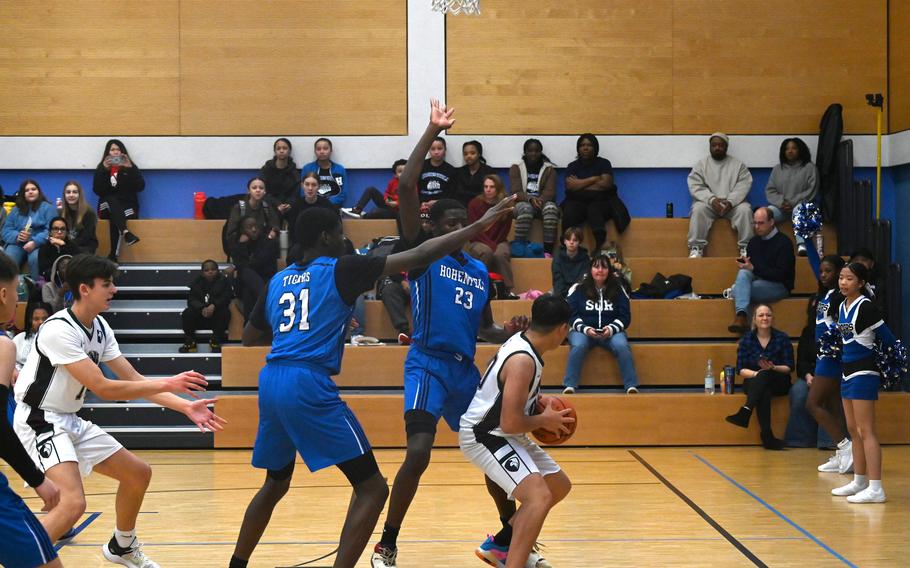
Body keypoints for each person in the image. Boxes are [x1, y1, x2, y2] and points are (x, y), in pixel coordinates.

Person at [228, 104, 516, 568]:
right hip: (311, 381)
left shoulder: (281, 278)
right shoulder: (342, 267)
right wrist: (481, 225)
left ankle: (236, 564)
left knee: (276, 482)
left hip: (272, 377)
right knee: (372, 486)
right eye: (338, 230)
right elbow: (419, 248)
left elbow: (252, 334)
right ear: (325, 236)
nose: (344, 236)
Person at [371, 103, 529, 568]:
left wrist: (508, 331)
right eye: (449, 224)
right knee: (418, 452)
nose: (457, 229)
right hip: (426, 363)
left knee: (493, 451)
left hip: (465, 371)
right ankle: (387, 542)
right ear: (432, 228)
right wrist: (431, 131)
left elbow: (484, 328)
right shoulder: (422, 256)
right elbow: (404, 185)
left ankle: (505, 540)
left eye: (462, 223)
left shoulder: (480, 271)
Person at [13, 253, 225, 566]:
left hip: (68, 418)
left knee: (138, 473)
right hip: (39, 419)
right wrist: (168, 383)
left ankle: (122, 546)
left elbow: (133, 380)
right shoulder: (59, 329)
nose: (114, 290)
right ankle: (19, 558)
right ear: (85, 289)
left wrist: (185, 407)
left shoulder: (99, 327)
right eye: (107, 284)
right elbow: (104, 388)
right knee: (72, 504)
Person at [460, 294, 574, 568]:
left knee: (557, 485)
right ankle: (513, 561)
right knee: (538, 498)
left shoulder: (525, 342)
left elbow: (507, 394)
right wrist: (544, 420)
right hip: (484, 435)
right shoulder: (523, 360)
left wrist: (536, 402)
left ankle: (501, 545)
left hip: (502, 432)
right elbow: (510, 422)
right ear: (562, 329)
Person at [0, 252, 63, 568]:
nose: (17, 301)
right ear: (3, 294)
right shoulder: (3, 345)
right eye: (16, 292)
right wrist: (38, 479)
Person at [830, 262, 898, 503]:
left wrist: (887, 365)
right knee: (853, 430)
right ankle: (859, 480)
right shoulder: (841, 305)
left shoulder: (866, 307)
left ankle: (876, 487)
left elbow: (889, 340)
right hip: (847, 373)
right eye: (841, 278)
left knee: (866, 430)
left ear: (860, 283)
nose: (843, 283)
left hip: (863, 373)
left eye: (849, 279)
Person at [801, 250, 852, 468]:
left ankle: (846, 447)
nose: (822, 275)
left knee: (812, 404)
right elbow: (814, 262)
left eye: (828, 271)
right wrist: (807, 237)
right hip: (824, 355)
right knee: (832, 405)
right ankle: (844, 452)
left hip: (831, 357)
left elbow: (845, 327)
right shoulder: (825, 294)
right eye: (821, 271)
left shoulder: (840, 296)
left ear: (839, 273)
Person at [562, 252, 640, 394]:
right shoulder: (578, 288)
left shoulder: (618, 288)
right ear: (590, 269)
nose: (600, 270)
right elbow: (570, 314)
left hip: (611, 332)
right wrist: (585, 329)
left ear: (609, 271)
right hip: (582, 331)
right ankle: (570, 385)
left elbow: (625, 316)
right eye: (596, 267)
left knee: (622, 345)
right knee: (579, 345)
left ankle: (631, 385)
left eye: (604, 267)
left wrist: (611, 329)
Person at [724, 304, 794, 450]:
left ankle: (746, 410)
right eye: (761, 315)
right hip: (753, 380)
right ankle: (767, 438)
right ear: (754, 319)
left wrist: (773, 368)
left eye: (768, 315)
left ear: (772, 318)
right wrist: (758, 374)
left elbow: (789, 367)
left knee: (767, 377)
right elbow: (741, 369)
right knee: (764, 390)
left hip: (779, 379)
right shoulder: (746, 339)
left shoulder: (782, 338)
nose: (765, 318)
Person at [728, 207, 795, 334]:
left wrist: (753, 268)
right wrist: (748, 266)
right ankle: (741, 315)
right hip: (759, 281)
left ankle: (738, 302)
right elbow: (753, 271)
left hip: (780, 286)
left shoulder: (784, 243)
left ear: (771, 222)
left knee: (739, 289)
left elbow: (781, 274)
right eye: (755, 223)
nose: (757, 227)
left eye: (761, 223)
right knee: (743, 273)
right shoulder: (753, 242)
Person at [686, 132, 753, 258]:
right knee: (698, 209)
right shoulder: (701, 165)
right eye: (714, 145)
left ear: (726, 147)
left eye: (720, 145)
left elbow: (744, 185)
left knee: (745, 210)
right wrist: (711, 200)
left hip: (732, 205)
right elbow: (695, 185)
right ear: (710, 147)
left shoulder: (738, 165)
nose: (717, 148)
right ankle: (696, 248)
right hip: (709, 205)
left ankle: (746, 247)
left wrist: (731, 201)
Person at [561, 134, 616, 252]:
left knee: (594, 208)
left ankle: (600, 245)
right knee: (570, 209)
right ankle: (566, 245)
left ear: (595, 147)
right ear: (578, 148)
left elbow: (606, 184)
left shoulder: (604, 163)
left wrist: (580, 184)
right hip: (577, 202)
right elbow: (570, 186)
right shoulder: (573, 166)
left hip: (600, 202)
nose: (585, 148)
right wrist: (594, 179)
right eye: (582, 145)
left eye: (589, 145)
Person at [765, 138, 819, 256]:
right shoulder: (777, 169)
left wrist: (793, 202)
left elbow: (812, 190)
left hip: (805, 207)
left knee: (798, 209)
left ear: (800, 150)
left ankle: (802, 244)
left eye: (794, 148)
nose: (790, 151)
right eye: (787, 149)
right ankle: (767, 244)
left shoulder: (810, 168)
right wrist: (781, 202)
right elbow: (770, 190)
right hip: (782, 207)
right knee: (765, 214)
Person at [93, 139, 145, 261]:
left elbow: (140, 187)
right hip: (105, 206)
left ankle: (113, 255)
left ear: (122, 152)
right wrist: (103, 170)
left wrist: (130, 169)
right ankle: (126, 232)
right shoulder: (101, 168)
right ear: (107, 153)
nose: (115, 152)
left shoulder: (130, 166)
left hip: (127, 207)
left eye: (118, 149)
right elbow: (97, 190)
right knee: (111, 200)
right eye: (112, 149)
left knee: (115, 216)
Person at [466, 174, 515, 295]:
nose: (488, 189)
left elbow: (504, 231)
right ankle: (479, 286)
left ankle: (507, 290)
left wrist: (494, 244)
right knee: (485, 251)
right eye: (485, 186)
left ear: (498, 189)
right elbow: (474, 229)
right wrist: (490, 245)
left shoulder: (505, 205)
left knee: (501, 253)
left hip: (499, 240)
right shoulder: (474, 204)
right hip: (477, 240)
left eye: (492, 187)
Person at [511, 139, 560, 254]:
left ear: (541, 152)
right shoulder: (516, 167)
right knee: (525, 209)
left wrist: (540, 200)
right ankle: (519, 247)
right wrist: (530, 199)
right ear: (525, 152)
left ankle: (548, 251)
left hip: (543, 202)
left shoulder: (549, 169)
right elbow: (516, 191)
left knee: (551, 209)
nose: (533, 153)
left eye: (537, 151)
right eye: (530, 151)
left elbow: (550, 192)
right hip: (523, 202)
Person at [2, 179, 56, 281]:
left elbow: (51, 230)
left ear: (39, 191)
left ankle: (37, 289)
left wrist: (35, 242)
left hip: (40, 243)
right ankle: (9, 289)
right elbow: (6, 230)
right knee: (8, 259)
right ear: (23, 194)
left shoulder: (48, 208)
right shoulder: (16, 210)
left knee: (35, 259)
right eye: (27, 190)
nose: (30, 192)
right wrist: (17, 236)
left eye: (33, 189)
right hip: (17, 243)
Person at [229, 216, 280, 322]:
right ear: (242, 230)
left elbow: (257, 263)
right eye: (249, 227)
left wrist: (241, 265)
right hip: (248, 284)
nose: (254, 229)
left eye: (255, 226)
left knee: (248, 291)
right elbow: (241, 265)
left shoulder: (269, 243)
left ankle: (249, 328)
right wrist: (242, 245)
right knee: (245, 273)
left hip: (266, 281)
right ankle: (265, 300)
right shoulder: (238, 245)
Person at [179, 260, 233, 354]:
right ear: (202, 273)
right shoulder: (197, 282)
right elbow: (191, 300)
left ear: (218, 270)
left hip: (216, 314)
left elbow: (227, 297)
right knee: (187, 313)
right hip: (201, 314)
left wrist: (214, 305)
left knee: (225, 313)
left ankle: (215, 341)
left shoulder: (223, 281)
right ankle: (190, 341)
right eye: (207, 270)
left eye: (213, 269)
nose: (210, 272)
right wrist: (201, 307)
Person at [224, 177, 280, 251]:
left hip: (261, 244)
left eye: (261, 188)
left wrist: (273, 232)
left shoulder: (266, 207)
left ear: (265, 191)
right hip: (243, 245)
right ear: (248, 191)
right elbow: (231, 233)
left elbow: (275, 225)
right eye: (254, 188)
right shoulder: (239, 208)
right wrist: (239, 238)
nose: (258, 190)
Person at [286, 172, 337, 249]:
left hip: (322, 245)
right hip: (301, 245)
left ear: (319, 187)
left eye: (314, 185)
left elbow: (334, 227)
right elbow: (292, 230)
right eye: (307, 184)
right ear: (302, 185)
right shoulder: (296, 206)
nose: (310, 188)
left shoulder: (327, 205)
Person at [341, 159, 407, 220]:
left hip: (400, 212)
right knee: (370, 189)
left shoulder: (411, 184)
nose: (403, 173)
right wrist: (386, 199)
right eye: (400, 171)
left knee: (375, 211)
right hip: (390, 207)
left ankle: (363, 217)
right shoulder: (392, 182)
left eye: (405, 171)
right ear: (395, 175)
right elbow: (387, 193)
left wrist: (397, 203)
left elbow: (412, 200)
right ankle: (357, 209)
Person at [259, 137, 300, 217]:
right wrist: (277, 204)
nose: (281, 151)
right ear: (275, 151)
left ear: (289, 151)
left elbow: (295, 193)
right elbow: (262, 190)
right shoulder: (266, 169)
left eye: (285, 148)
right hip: (269, 204)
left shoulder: (294, 172)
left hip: (288, 207)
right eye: (278, 148)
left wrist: (289, 204)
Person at [302, 137, 347, 207]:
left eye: (325, 149)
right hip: (312, 206)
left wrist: (327, 203)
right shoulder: (307, 168)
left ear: (331, 151)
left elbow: (343, 193)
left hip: (333, 207)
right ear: (315, 151)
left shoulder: (340, 169)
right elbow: (303, 191)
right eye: (318, 149)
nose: (322, 152)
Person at [12, 302, 52, 378]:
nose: (41, 322)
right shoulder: (19, 338)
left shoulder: (57, 340)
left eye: (45, 318)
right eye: (36, 319)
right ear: (30, 320)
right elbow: (9, 361)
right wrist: (13, 370)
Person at [59, 180, 99, 254]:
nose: (71, 195)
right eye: (68, 192)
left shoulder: (89, 213)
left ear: (79, 194)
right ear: (64, 195)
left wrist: (66, 245)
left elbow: (85, 238)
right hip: (66, 246)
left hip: (84, 247)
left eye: (75, 192)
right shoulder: (60, 213)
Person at [551, 227, 590, 298]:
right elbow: (557, 282)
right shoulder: (557, 259)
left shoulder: (586, 259)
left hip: (579, 295)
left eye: (575, 240)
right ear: (564, 241)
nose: (571, 242)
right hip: (560, 295)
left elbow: (582, 281)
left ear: (579, 242)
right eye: (568, 239)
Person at [454, 140, 495, 206]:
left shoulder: (489, 171)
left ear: (479, 154)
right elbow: (458, 194)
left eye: (472, 153)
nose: (469, 156)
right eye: (465, 154)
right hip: (462, 207)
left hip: (482, 205)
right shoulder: (459, 172)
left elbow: (491, 193)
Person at [38, 217, 80, 282]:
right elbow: (43, 272)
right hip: (51, 282)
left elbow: (77, 267)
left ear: (66, 232)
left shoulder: (73, 246)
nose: (59, 232)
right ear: (50, 232)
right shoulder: (44, 248)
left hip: (71, 282)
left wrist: (63, 245)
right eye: (56, 229)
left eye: (63, 229)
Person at [417, 136, 457, 203]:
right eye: (433, 149)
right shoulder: (420, 166)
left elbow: (451, 193)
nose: (436, 152)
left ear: (445, 150)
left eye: (439, 148)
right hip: (422, 204)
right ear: (428, 150)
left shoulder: (451, 170)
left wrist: (437, 202)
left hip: (441, 205)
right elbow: (415, 188)